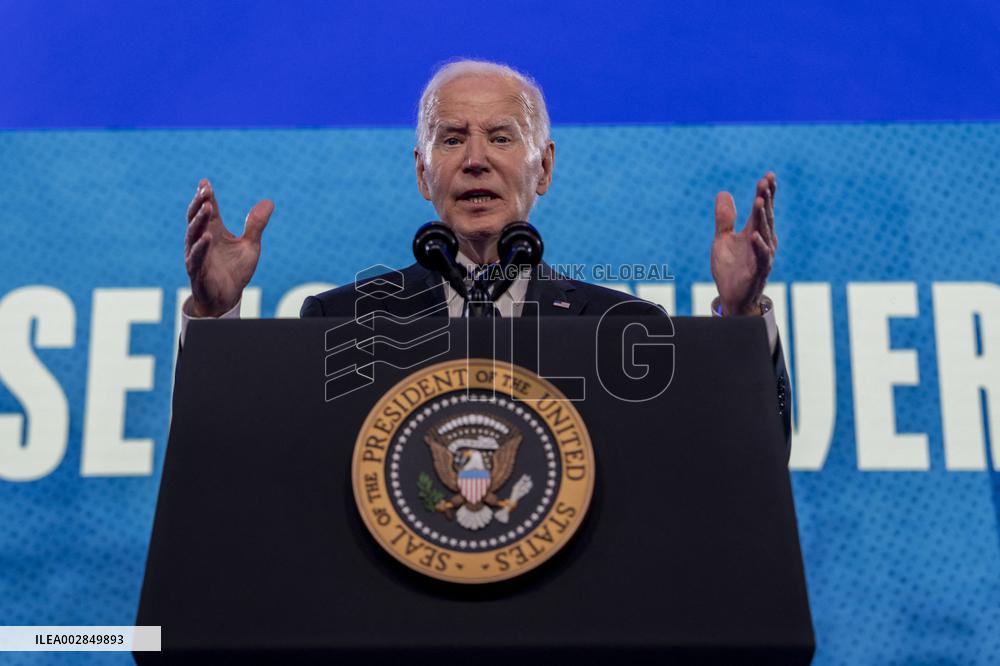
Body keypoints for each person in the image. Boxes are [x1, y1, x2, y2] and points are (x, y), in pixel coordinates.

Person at [180, 59, 789, 451]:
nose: (476, 159)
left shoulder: (622, 328)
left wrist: (740, 324)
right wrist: (213, 321)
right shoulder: (342, 322)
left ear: (544, 166)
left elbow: (744, 457)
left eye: (501, 137)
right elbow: (234, 457)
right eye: (451, 139)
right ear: (423, 172)